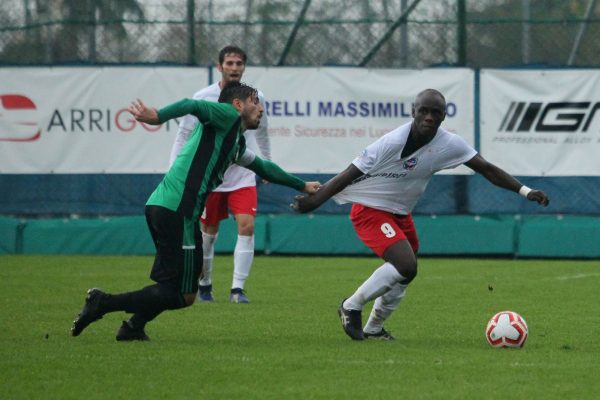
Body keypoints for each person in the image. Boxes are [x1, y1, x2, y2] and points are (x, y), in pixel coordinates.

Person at [293, 88, 549, 341]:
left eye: (435, 113)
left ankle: (373, 328)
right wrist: (315, 201)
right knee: (405, 264)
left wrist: (525, 191)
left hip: (400, 214)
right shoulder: (390, 142)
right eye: (423, 111)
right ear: (413, 111)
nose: (429, 117)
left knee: (408, 270)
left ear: (443, 116)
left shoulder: (449, 144)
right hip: (369, 211)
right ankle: (351, 305)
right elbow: (347, 175)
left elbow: (487, 169)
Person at [70, 81, 320, 341]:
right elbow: (191, 105)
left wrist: (302, 185)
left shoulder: (234, 142)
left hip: (166, 206)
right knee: (184, 294)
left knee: (183, 280)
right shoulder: (227, 115)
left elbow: (264, 168)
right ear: (238, 105)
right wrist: (158, 117)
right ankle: (103, 303)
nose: (261, 108)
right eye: (255, 101)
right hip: (178, 209)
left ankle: (133, 327)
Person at [170, 45, 270, 304]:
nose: (234, 68)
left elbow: (262, 132)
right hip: (212, 174)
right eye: (229, 63)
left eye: (239, 63)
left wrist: (267, 164)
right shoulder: (204, 96)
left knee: (247, 226)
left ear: (244, 67)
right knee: (209, 233)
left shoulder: (256, 97)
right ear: (219, 67)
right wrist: (175, 168)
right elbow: (183, 133)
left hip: (243, 174)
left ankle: (237, 290)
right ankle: (205, 285)